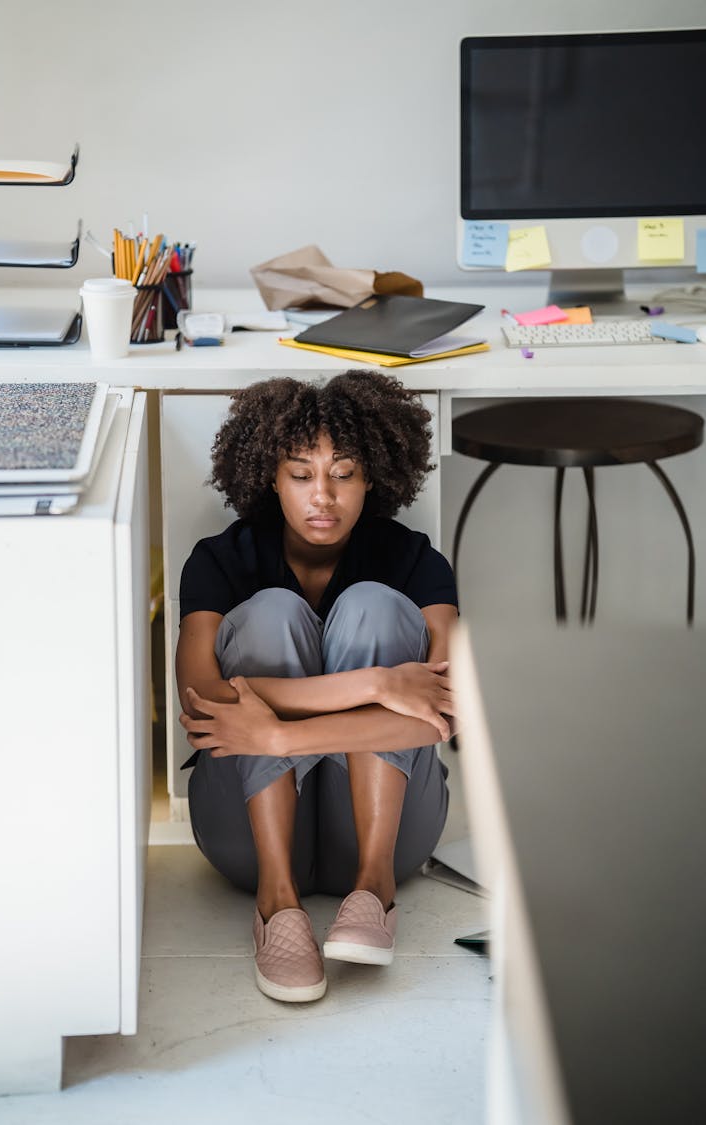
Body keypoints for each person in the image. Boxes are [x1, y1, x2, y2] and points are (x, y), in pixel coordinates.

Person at [177, 369, 457, 1003]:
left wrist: (276, 732)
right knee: (271, 611)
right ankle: (277, 908)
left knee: (374, 606)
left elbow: (448, 711)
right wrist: (378, 683)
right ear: (270, 479)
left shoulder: (412, 560)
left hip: (394, 836)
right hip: (246, 842)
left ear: (373, 477)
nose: (322, 497)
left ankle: (373, 889)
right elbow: (202, 703)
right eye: (301, 474)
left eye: (344, 474)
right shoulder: (223, 559)